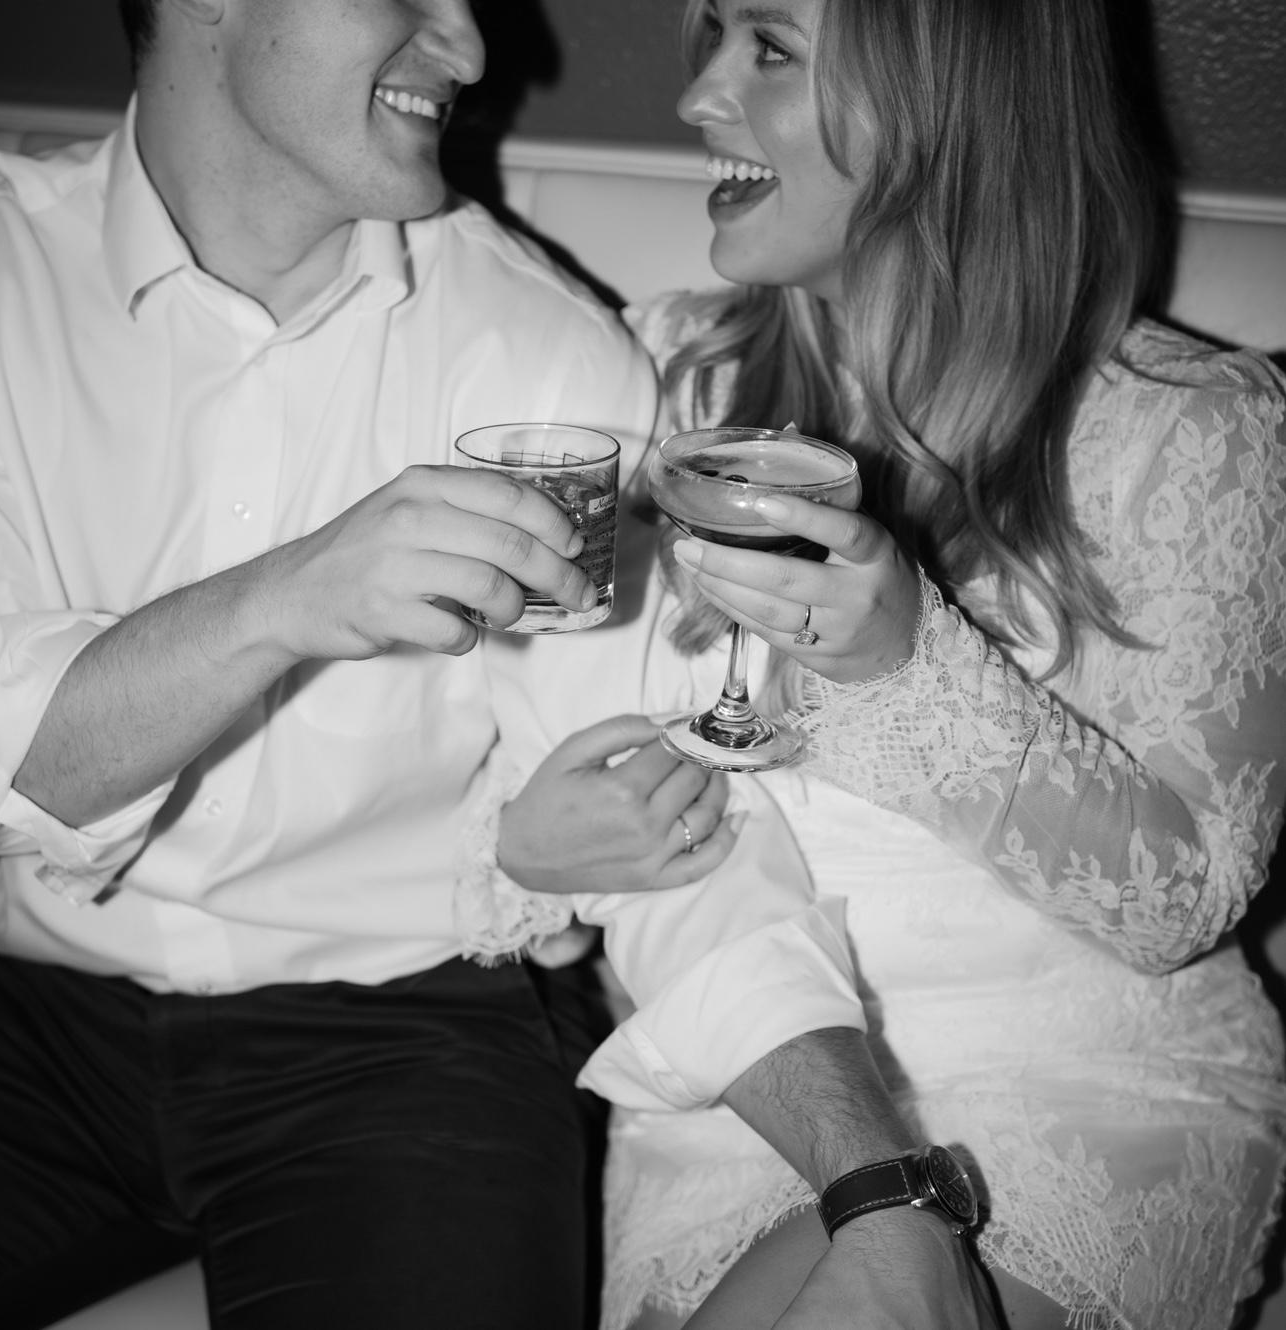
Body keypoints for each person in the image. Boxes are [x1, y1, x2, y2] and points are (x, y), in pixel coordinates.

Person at [0, 2, 1008, 1329]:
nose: (465, 49)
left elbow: (664, 825)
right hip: (22, 1025)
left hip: (404, 1051)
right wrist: (282, 600)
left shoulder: (542, 358)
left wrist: (883, 1191)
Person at [460, 0, 1286, 1327]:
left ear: (946, 97)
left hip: (1074, 1094)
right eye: (711, 39)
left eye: (770, 49)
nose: (698, 97)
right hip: (738, 1105)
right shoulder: (655, 379)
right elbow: (479, 732)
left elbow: (1179, 903)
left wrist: (906, 660)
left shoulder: (1190, 432)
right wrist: (525, 856)